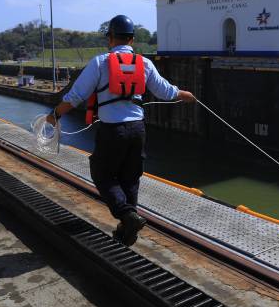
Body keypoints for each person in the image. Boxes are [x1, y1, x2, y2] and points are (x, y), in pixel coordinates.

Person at [47, 15, 195, 246]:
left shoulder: (100, 62)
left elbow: (75, 97)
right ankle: (128, 231)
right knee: (130, 179)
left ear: (111, 38)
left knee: (101, 173)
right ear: (132, 39)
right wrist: (183, 94)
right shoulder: (144, 63)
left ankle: (127, 216)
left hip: (112, 131)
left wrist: (55, 114)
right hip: (138, 131)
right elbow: (166, 91)